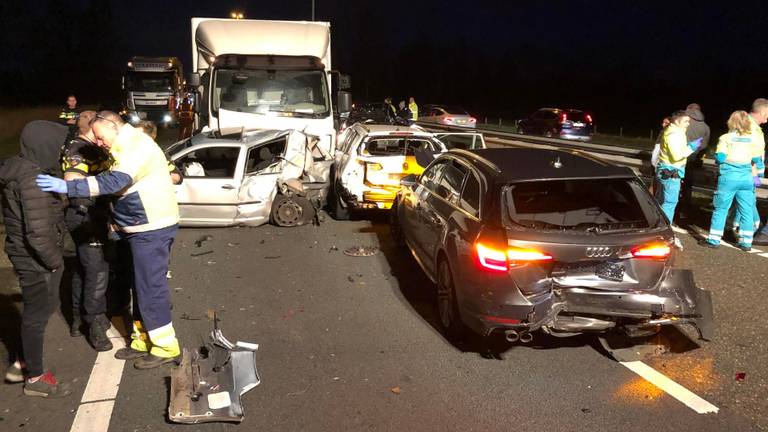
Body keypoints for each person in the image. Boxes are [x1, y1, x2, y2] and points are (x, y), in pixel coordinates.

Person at [37, 111, 181, 369]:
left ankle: (164, 346)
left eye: (101, 137)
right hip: (139, 228)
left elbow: (116, 181)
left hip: (152, 228)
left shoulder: (136, 146)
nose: (99, 143)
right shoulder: (124, 145)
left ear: (114, 126)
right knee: (140, 287)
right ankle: (142, 340)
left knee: (151, 288)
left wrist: (69, 187)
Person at [0, 120, 70, 398]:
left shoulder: (23, 167)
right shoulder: (33, 180)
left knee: (38, 311)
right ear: (45, 145)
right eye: (58, 145)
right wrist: (54, 262)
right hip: (35, 259)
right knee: (37, 315)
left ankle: (22, 361)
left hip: (26, 254)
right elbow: (38, 234)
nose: (61, 151)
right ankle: (35, 378)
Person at [60, 110, 113, 350]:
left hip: (95, 214)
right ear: (93, 127)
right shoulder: (78, 148)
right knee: (97, 271)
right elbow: (75, 183)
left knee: (84, 271)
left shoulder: (93, 147)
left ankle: (77, 319)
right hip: (86, 214)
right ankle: (95, 324)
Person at [700, 111, 762, 251]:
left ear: (731, 122)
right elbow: (757, 159)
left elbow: (720, 158)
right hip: (746, 178)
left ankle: (714, 240)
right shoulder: (753, 139)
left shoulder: (725, 138)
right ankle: (746, 243)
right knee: (746, 210)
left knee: (721, 209)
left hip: (729, 178)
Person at [656, 110, 703, 222]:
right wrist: (691, 147)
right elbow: (677, 155)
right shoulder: (674, 134)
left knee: (661, 201)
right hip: (671, 172)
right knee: (670, 202)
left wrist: (688, 146)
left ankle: (658, 225)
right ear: (677, 121)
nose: (688, 123)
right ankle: (665, 229)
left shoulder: (674, 131)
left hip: (667, 171)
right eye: (686, 121)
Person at [740, 99, 768, 245]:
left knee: (748, 201)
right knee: (746, 201)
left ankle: (751, 228)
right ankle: (747, 231)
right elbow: (746, 152)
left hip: (750, 171)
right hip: (747, 171)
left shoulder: (753, 126)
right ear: (763, 112)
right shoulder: (747, 126)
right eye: (767, 114)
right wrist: (754, 173)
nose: (767, 118)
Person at [679, 103, 710, 220]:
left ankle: (674, 209)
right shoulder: (706, 127)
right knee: (687, 185)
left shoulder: (684, 122)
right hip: (693, 158)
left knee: (674, 182)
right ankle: (685, 210)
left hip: (679, 156)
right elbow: (704, 145)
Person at [650, 116, 672, 195]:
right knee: (654, 182)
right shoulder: (663, 131)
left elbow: (658, 150)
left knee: (657, 184)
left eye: (666, 123)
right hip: (657, 163)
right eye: (663, 122)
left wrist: (654, 163)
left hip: (659, 164)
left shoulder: (668, 134)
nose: (663, 124)